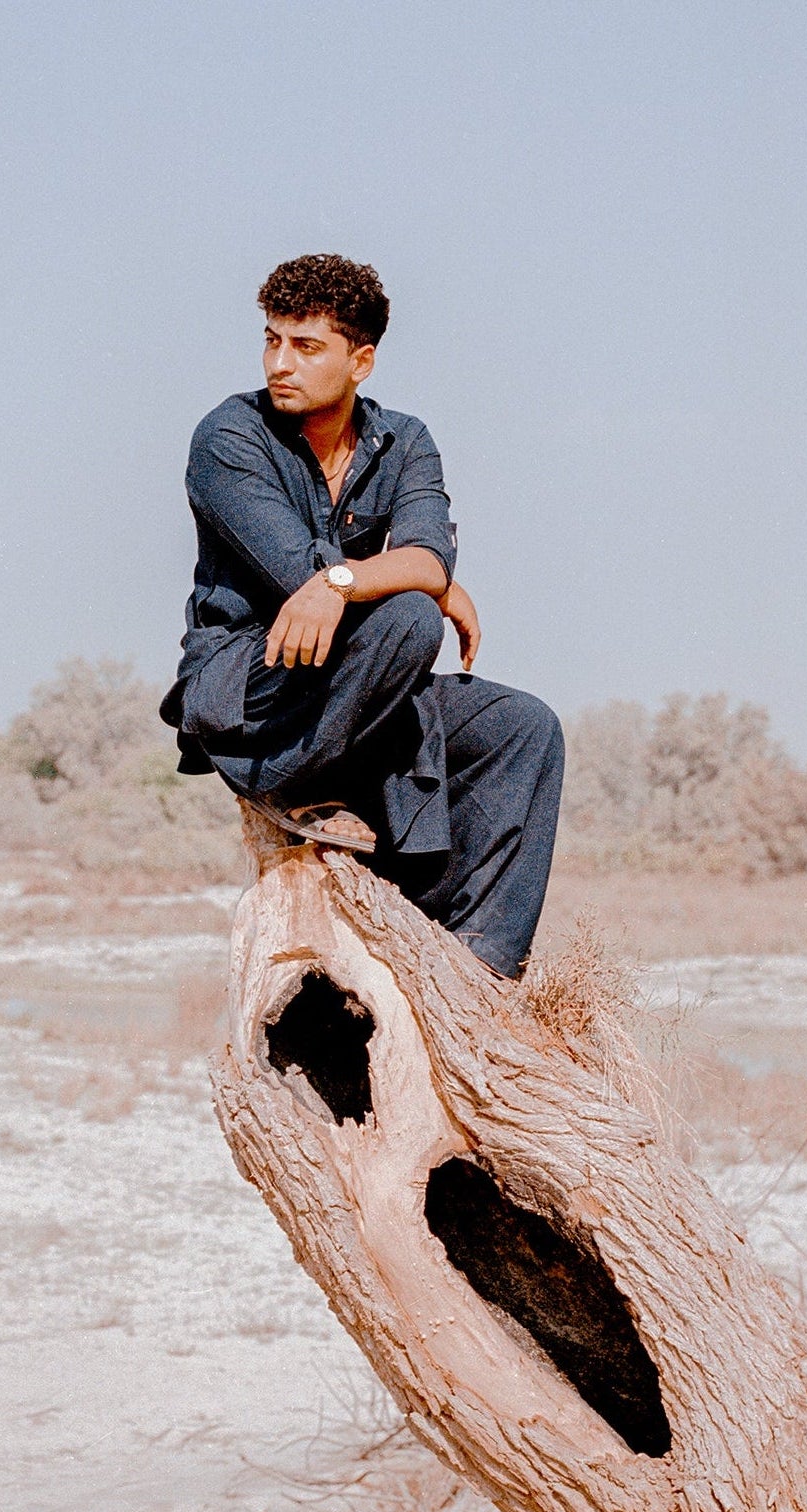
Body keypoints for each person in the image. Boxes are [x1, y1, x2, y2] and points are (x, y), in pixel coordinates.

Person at [160, 254, 564, 980]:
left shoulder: (404, 441)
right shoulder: (228, 438)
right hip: (257, 695)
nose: (280, 363)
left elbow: (425, 556)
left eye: (305, 346)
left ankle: (480, 968)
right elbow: (319, 572)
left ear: (362, 360)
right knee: (410, 618)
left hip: (355, 685)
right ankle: (307, 794)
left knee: (524, 725)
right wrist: (405, 582)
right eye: (271, 340)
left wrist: (356, 580)